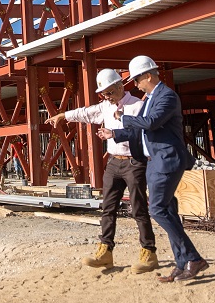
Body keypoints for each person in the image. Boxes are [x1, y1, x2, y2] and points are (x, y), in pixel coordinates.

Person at [100, 56, 208, 283]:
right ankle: (182, 264)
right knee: (167, 210)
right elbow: (142, 131)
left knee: (157, 210)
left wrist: (124, 118)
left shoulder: (166, 96)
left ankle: (193, 258)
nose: (136, 84)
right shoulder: (150, 98)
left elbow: (151, 123)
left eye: (137, 79)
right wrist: (115, 134)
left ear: (148, 75)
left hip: (167, 160)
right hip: (154, 161)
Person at [47, 68, 158, 273]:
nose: (107, 97)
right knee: (108, 208)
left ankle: (149, 252)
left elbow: (141, 132)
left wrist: (113, 134)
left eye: (109, 92)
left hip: (134, 163)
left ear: (120, 86)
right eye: (104, 94)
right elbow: (87, 112)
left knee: (139, 208)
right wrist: (63, 115)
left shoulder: (137, 106)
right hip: (114, 163)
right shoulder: (106, 106)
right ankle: (105, 251)